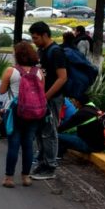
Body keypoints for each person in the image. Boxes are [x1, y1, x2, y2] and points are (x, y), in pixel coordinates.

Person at [0, 41, 44, 188]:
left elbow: (2, 91)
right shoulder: (38, 72)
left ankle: (9, 178)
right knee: (28, 145)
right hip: (34, 112)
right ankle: (26, 177)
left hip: (15, 111)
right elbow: (40, 92)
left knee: (14, 144)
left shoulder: (11, 71)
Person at [29, 21, 67, 180]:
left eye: (36, 38)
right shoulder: (42, 51)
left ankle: (50, 166)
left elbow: (62, 78)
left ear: (45, 35)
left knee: (49, 133)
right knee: (40, 132)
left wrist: (46, 96)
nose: (34, 41)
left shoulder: (56, 52)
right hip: (42, 99)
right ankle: (42, 162)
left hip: (52, 99)